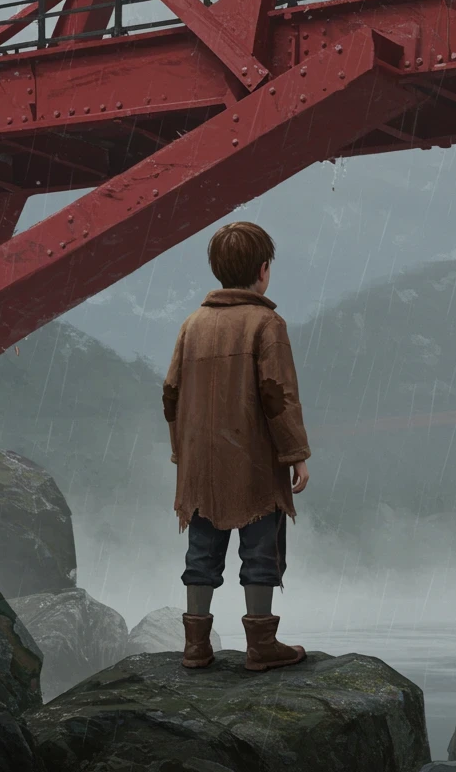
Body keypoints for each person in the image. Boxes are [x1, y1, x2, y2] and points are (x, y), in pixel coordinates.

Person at [162, 221, 311, 672]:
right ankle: (261, 645)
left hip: (201, 466)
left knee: (201, 553)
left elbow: (171, 394)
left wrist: (181, 453)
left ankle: (195, 646)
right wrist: (296, 454)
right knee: (260, 551)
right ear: (263, 270)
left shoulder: (193, 324)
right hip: (252, 463)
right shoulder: (266, 323)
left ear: (218, 270)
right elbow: (276, 395)